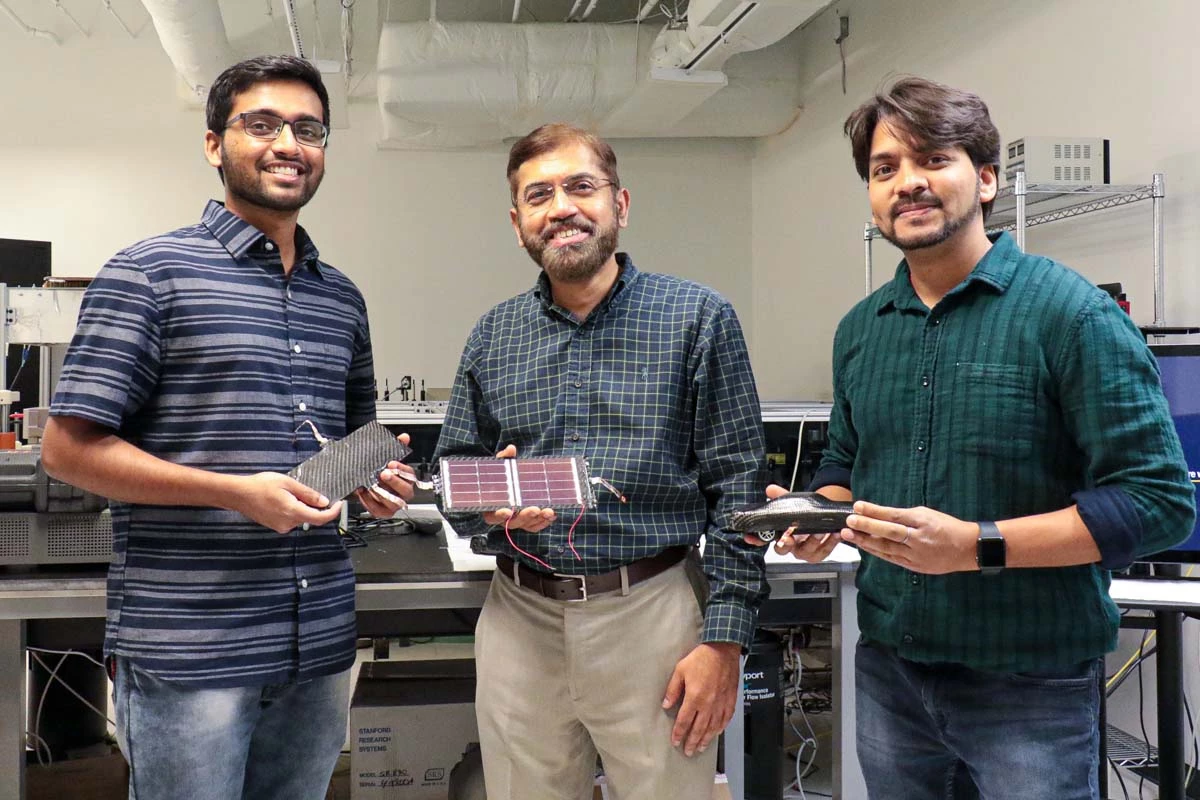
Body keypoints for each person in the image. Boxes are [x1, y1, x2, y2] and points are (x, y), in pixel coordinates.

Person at [758, 76, 1196, 799]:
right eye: (884, 169)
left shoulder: (1071, 316)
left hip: (1031, 686)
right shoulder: (862, 330)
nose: (907, 183)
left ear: (986, 178)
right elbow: (846, 458)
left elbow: (1157, 502)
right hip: (892, 671)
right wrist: (816, 510)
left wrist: (975, 546)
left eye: (933, 159)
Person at [41, 55, 414, 800]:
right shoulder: (149, 273)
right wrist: (236, 493)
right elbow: (66, 450)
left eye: (309, 129)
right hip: (193, 647)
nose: (289, 144)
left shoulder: (339, 296)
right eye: (263, 124)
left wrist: (376, 474)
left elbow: (351, 439)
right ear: (216, 144)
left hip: (317, 642)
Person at [435, 123, 767, 800]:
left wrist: (726, 642)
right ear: (518, 221)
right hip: (520, 615)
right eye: (539, 195)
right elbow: (455, 477)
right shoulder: (494, 334)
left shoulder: (697, 319)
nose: (561, 207)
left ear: (619, 204)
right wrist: (489, 513)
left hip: (651, 615)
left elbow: (738, 489)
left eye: (581, 186)